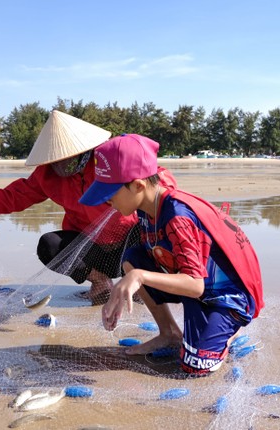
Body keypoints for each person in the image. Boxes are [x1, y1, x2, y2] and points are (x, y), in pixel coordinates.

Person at [79, 134, 264, 375]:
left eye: (110, 194)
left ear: (138, 185)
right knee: (133, 258)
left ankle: (231, 328)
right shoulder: (148, 205)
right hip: (198, 281)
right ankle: (169, 333)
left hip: (226, 295)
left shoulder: (177, 217)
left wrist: (139, 277)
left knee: (196, 366)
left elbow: (195, 285)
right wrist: (135, 273)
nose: (107, 202)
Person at [0, 110, 139, 305]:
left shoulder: (111, 161)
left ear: (85, 151)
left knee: (150, 233)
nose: (62, 167)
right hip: (91, 250)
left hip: (132, 246)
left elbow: (154, 187)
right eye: (57, 161)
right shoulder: (47, 176)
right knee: (49, 245)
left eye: (69, 160)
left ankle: (145, 282)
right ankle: (100, 281)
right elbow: (10, 197)